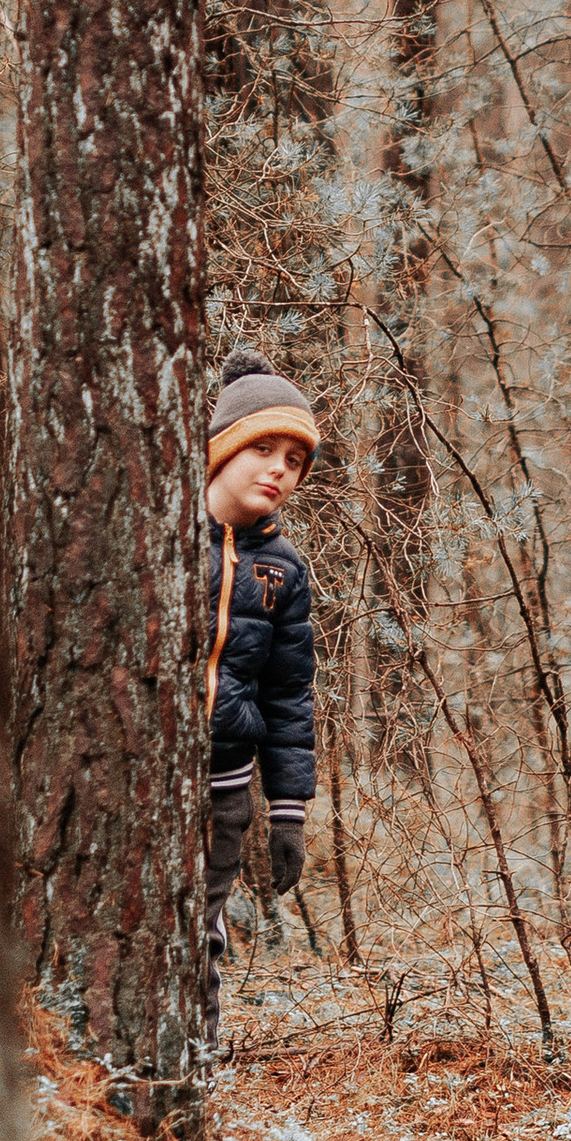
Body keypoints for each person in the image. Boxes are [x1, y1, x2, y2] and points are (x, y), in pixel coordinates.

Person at [203, 346, 320, 1045]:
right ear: (223, 447)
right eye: (264, 449)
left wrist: (288, 811)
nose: (278, 469)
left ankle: (195, 1070)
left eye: (295, 460)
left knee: (201, 932)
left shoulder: (282, 567)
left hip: (224, 784)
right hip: (138, 777)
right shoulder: (159, 533)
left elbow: (288, 696)